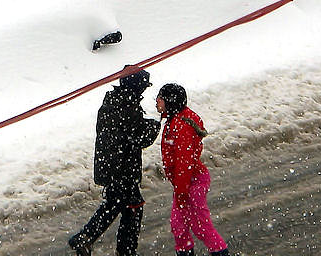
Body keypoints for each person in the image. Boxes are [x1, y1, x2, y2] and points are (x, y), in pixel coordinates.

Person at [69, 67, 161, 256]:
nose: (144, 91)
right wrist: (155, 125)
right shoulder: (127, 105)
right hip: (122, 167)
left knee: (123, 204)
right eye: (143, 87)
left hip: (111, 165)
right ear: (136, 88)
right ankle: (93, 240)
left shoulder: (113, 101)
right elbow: (139, 137)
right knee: (125, 205)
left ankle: (101, 243)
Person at [156, 83, 232, 256]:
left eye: (160, 98)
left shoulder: (181, 124)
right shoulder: (174, 120)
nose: (157, 102)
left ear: (170, 101)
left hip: (192, 182)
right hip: (184, 183)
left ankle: (220, 252)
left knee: (201, 226)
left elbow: (184, 161)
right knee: (179, 226)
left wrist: (182, 191)